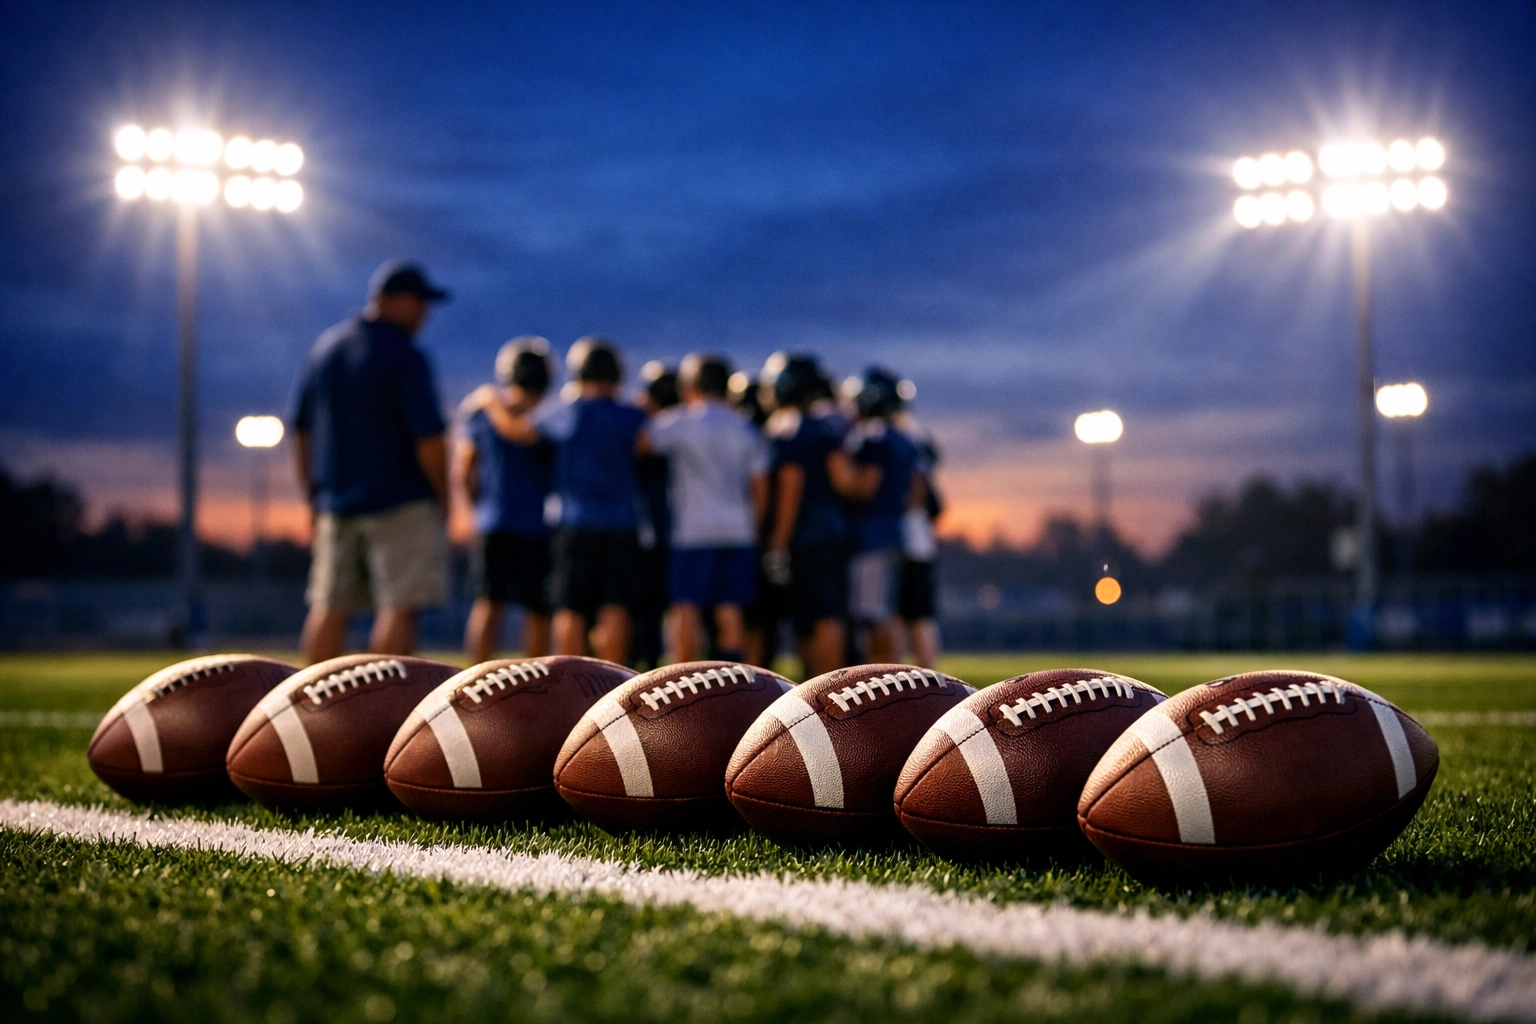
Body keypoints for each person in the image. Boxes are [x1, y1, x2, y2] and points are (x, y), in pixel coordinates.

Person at [289, 260, 451, 663]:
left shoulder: (326, 348)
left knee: (330, 605)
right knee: (400, 604)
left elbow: (301, 429)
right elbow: (429, 438)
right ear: (393, 301)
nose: (425, 313)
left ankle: (311, 711)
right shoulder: (405, 355)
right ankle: (389, 708)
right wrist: (443, 495)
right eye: (419, 302)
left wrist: (311, 493)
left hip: (337, 501)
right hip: (400, 499)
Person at [470, 338, 647, 665]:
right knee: (615, 608)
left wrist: (491, 402)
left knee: (569, 609)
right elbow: (646, 448)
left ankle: (577, 685)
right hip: (623, 522)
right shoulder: (631, 416)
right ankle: (616, 681)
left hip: (574, 521)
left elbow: (521, 431)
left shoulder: (568, 410)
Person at [644, 353, 769, 663]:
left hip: (693, 529)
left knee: (687, 608)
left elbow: (643, 444)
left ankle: (683, 682)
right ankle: (734, 684)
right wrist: (755, 527)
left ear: (689, 386)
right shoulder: (745, 428)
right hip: (738, 529)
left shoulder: (680, 422)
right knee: (730, 610)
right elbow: (760, 487)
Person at [455, 337, 556, 664]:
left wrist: (476, 508)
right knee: (537, 610)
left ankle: (474, 682)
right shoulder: (551, 414)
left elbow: (465, 468)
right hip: (538, 523)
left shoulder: (482, 413)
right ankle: (538, 683)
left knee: (489, 603)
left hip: (494, 520)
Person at [761, 351, 852, 676]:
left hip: (805, 536)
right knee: (828, 613)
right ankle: (829, 685)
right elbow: (844, 480)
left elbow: (791, 488)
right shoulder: (827, 426)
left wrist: (778, 542)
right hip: (832, 533)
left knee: (812, 618)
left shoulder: (791, 429)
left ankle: (820, 689)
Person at [834, 367, 920, 664]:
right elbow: (913, 497)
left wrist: (839, 479)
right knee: (882, 611)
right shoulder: (903, 438)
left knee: (874, 615)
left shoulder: (874, 437)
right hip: (892, 532)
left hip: (872, 537)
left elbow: (865, 486)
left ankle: (883, 675)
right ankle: (887, 671)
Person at [631, 361, 680, 670]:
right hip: (677, 530)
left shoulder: (649, 433)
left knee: (642, 607)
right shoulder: (680, 428)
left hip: (646, 529)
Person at [895, 408, 942, 668]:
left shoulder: (908, 433)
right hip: (916, 543)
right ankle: (909, 674)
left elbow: (918, 490)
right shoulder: (913, 431)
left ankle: (929, 677)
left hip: (912, 545)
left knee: (918, 616)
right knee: (905, 617)